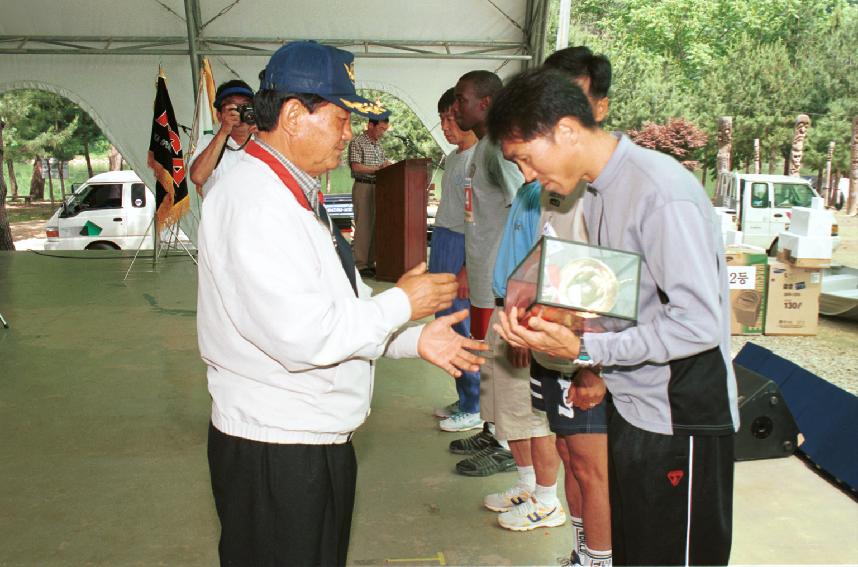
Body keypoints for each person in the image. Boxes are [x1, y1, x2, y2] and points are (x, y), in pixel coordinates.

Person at [197, 40, 487, 567]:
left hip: (309, 438)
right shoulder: (253, 201)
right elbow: (302, 337)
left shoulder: (289, 192)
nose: (350, 132)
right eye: (340, 116)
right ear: (292, 116)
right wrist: (402, 303)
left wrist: (413, 337)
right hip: (276, 450)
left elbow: (338, 306)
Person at [490, 68, 738, 566]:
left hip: (680, 412)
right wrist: (558, 324)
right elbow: (617, 302)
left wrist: (586, 349)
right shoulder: (600, 190)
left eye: (526, 159)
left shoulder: (659, 191)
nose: (529, 176)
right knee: (636, 551)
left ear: (563, 129)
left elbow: (696, 323)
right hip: (634, 404)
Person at [450, 70, 564, 534]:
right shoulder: (520, 181)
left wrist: (528, 314)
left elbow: (545, 260)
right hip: (501, 305)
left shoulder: (546, 194)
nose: (523, 168)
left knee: (533, 417)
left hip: (520, 311)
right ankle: (525, 482)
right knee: (507, 412)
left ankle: (547, 498)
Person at [527, 46, 613, 566]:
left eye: (574, 98)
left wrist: (594, 366)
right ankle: (583, 555)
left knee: (591, 466)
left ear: (599, 108)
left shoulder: (608, 184)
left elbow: (618, 285)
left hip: (590, 351)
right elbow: (548, 254)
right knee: (567, 454)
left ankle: (600, 560)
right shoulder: (555, 182)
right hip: (557, 346)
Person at [430, 87, 482, 431]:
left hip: (464, 244)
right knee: (445, 321)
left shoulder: (481, 156)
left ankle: (476, 404)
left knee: (462, 326)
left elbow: (481, 219)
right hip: (444, 239)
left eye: (450, 118)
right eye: (442, 120)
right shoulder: (453, 158)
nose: (446, 126)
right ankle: (464, 396)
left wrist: (467, 266)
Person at [189, 79, 256, 197]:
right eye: (233, 108)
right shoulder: (209, 142)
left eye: (246, 106)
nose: (240, 112)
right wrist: (224, 131)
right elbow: (198, 177)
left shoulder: (264, 141)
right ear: (219, 115)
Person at [349, 113, 392, 278]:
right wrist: (377, 169)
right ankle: (360, 264)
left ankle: (371, 262)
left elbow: (382, 166)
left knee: (375, 226)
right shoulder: (357, 142)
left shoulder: (378, 145)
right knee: (363, 226)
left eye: (385, 129)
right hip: (363, 187)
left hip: (378, 188)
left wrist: (387, 167)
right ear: (370, 125)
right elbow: (356, 167)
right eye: (381, 128)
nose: (382, 133)